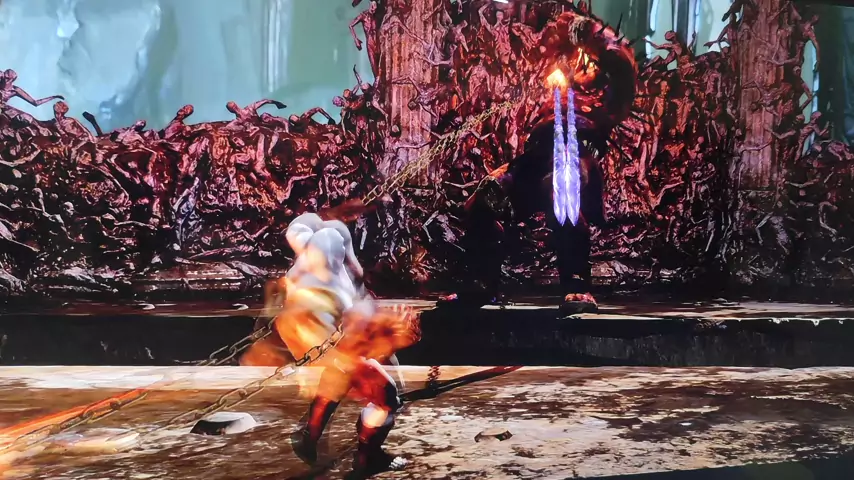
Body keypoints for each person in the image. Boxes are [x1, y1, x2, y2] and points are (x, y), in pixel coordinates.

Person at [277, 222, 415, 478]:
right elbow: (335, 332)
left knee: (335, 384)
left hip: (338, 348)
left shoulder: (318, 274)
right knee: (386, 399)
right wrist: (388, 335)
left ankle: (309, 436)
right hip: (336, 350)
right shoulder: (315, 286)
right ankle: (368, 457)